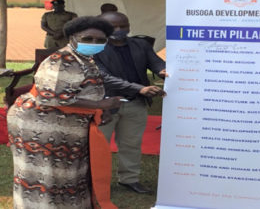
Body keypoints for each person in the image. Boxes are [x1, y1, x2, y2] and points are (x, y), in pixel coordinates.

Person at [7, 16, 121, 208]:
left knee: (68, 173)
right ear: (73, 37)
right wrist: (101, 104)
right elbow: (52, 97)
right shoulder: (62, 59)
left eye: (100, 40)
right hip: (41, 127)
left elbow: (84, 90)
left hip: (67, 127)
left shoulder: (84, 58)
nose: (94, 43)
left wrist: (100, 109)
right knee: (46, 174)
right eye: (88, 38)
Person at [94, 11, 167, 194]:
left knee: (131, 143)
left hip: (135, 104)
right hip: (105, 105)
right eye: (113, 26)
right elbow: (104, 77)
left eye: (123, 25)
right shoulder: (94, 48)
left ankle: (129, 179)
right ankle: (95, 182)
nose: (119, 30)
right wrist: (139, 88)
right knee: (99, 146)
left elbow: (156, 63)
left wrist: (163, 71)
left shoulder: (140, 44)